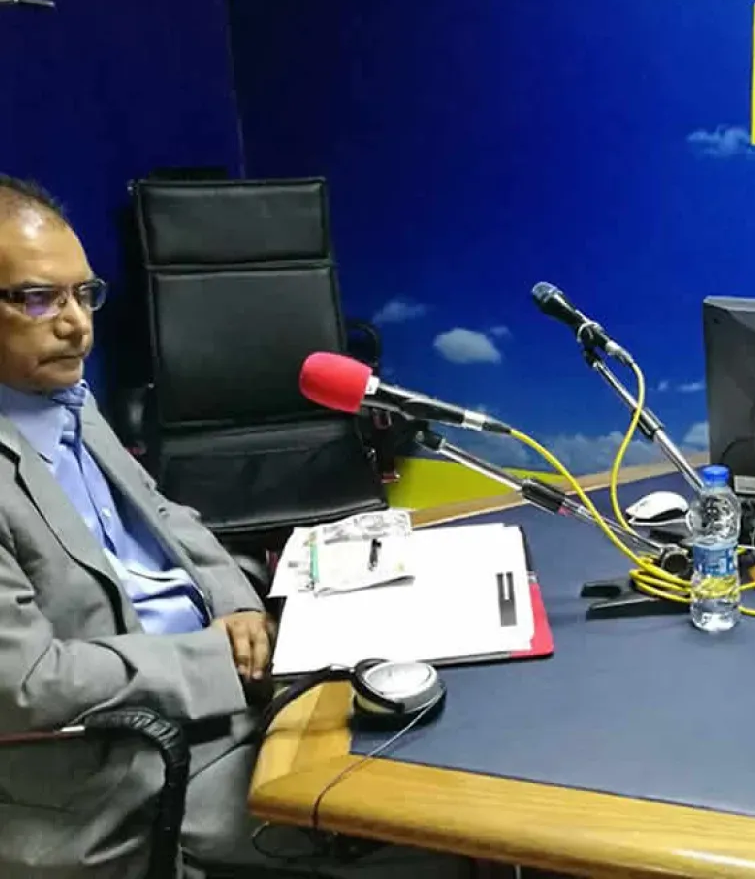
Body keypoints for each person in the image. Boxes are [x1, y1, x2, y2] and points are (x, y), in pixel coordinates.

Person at [0, 177, 464, 878]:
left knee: (442, 735)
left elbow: (164, 514)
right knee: (429, 842)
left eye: (83, 294)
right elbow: (30, 684)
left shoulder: (61, 396)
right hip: (136, 771)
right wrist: (222, 663)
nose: (76, 325)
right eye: (38, 299)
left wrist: (238, 603)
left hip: (234, 693)